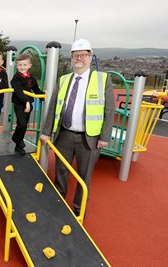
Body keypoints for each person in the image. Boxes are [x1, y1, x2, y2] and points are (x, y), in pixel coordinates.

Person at [40, 39, 115, 216]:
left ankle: (79, 210)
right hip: (64, 134)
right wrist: (46, 131)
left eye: (82, 55)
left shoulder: (103, 79)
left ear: (90, 56)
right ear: (71, 58)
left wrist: (104, 137)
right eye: (75, 56)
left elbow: (109, 110)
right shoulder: (64, 79)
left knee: (84, 176)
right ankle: (58, 203)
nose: (78, 59)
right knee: (61, 172)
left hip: (89, 138)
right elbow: (53, 106)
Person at [11, 54, 43, 155]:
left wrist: (44, 96)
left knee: (24, 125)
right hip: (20, 104)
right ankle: (16, 138)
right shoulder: (16, 78)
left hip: (28, 104)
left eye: (25, 65)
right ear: (16, 66)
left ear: (29, 66)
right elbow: (19, 92)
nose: (22, 67)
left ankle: (18, 144)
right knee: (22, 123)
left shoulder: (31, 78)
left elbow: (36, 89)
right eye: (20, 65)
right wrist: (26, 102)